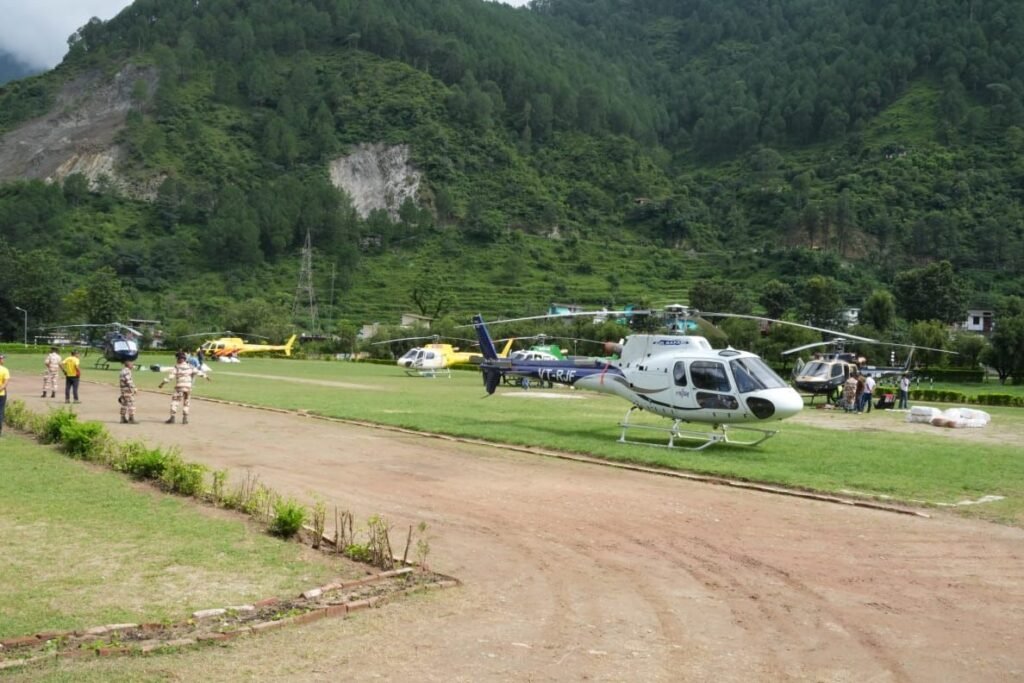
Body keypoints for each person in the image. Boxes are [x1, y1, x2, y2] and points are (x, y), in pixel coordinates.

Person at [159, 352, 210, 424]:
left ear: (178, 359)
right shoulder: (191, 367)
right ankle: (185, 419)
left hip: (179, 387)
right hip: (188, 388)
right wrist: (206, 377)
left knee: (175, 402)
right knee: (186, 403)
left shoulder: (176, 367)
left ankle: (172, 418)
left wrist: (162, 383)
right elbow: (199, 372)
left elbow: (170, 377)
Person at [119, 359, 138, 424]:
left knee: (124, 404)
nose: (133, 365)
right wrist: (134, 388)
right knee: (131, 403)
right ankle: (131, 418)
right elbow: (129, 381)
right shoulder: (127, 371)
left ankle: (122, 418)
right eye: (132, 364)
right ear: (129, 365)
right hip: (127, 390)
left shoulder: (123, 370)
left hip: (123, 390)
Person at [0, 354, 9, 437]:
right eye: (2, 359)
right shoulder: (4, 370)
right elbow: (5, 383)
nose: (3, 360)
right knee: (0, 411)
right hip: (1, 393)